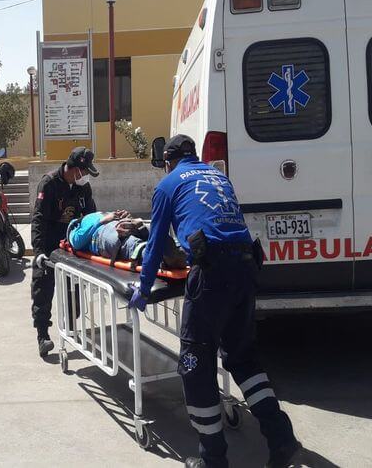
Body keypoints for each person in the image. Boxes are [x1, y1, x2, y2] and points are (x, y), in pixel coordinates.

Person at [128, 135, 300, 468]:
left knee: (195, 366)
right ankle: (282, 439)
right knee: (243, 359)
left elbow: (157, 240)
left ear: (168, 161)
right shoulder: (220, 177)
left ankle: (213, 459)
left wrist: (145, 288)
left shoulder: (168, 185)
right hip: (247, 267)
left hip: (212, 274)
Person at [31, 147, 98, 357]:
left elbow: (91, 218)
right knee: (43, 289)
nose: (86, 175)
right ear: (74, 168)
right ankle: (43, 335)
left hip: (70, 246)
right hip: (50, 246)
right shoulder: (49, 183)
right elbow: (39, 218)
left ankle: (70, 327)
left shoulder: (82, 189)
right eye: (84, 171)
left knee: (74, 291)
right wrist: (39, 251)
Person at [67, 211, 187, 269]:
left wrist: (124, 215)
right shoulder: (74, 226)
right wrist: (101, 221)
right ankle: (169, 256)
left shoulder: (98, 213)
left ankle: (176, 251)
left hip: (117, 223)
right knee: (128, 243)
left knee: (142, 232)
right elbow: (77, 242)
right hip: (100, 234)